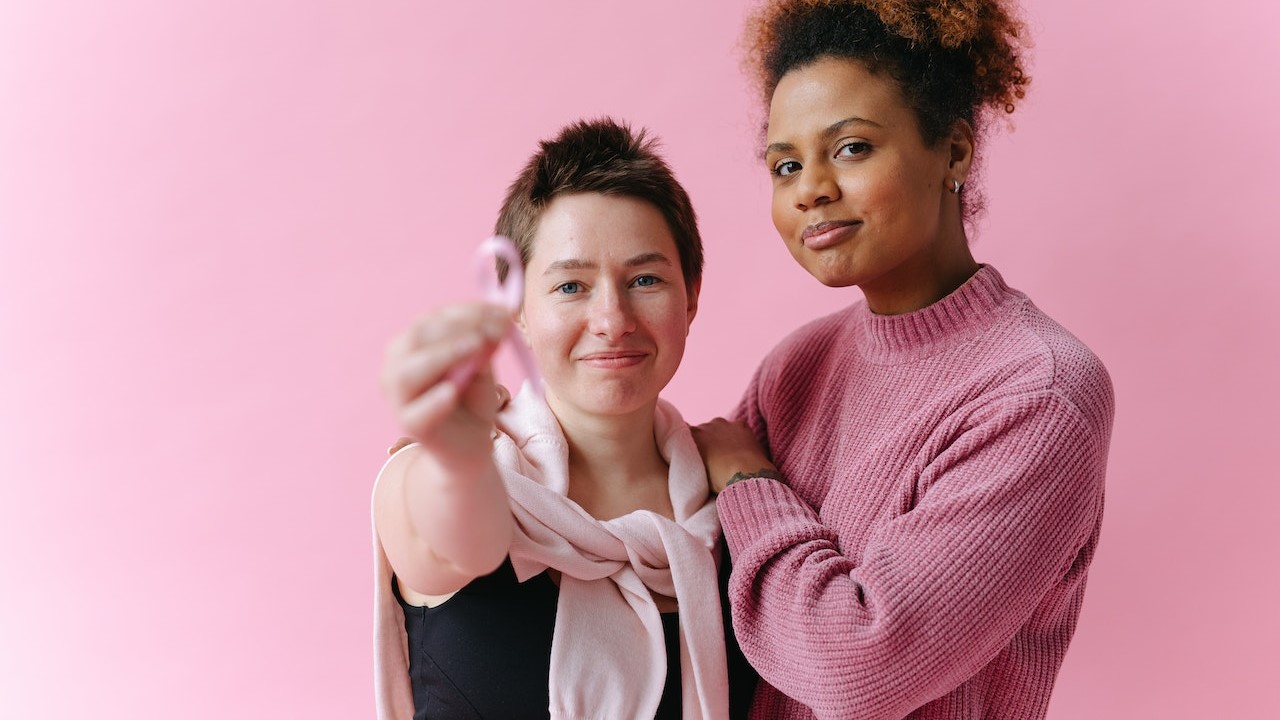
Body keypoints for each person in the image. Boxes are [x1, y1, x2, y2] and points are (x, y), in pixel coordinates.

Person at [690, 2, 1115, 718]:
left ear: (953, 150)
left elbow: (860, 664)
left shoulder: (1038, 394)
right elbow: (683, 571)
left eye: (851, 148)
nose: (811, 189)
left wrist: (748, 479)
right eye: (785, 164)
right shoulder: (797, 367)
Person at [372, 117, 753, 720]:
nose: (613, 318)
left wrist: (748, 481)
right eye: (571, 286)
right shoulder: (445, 470)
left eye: (646, 279)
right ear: (515, 305)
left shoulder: (735, 512)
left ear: (692, 294)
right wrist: (458, 453)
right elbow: (446, 543)